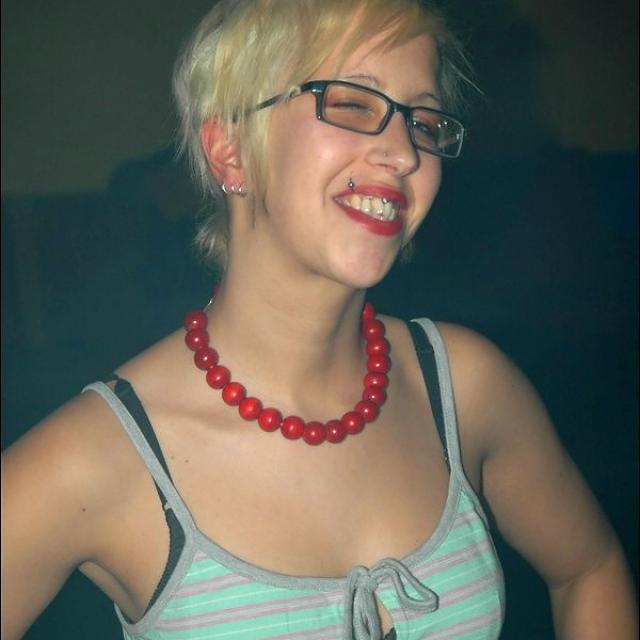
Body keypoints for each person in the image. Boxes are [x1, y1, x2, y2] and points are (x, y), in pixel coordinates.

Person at [2, 1, 637, 638]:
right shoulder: (96, 457)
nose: (404, 153)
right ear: (229, 151)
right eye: (353, 102)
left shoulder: (464, 386)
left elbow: (590, 568)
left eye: (423, 121)